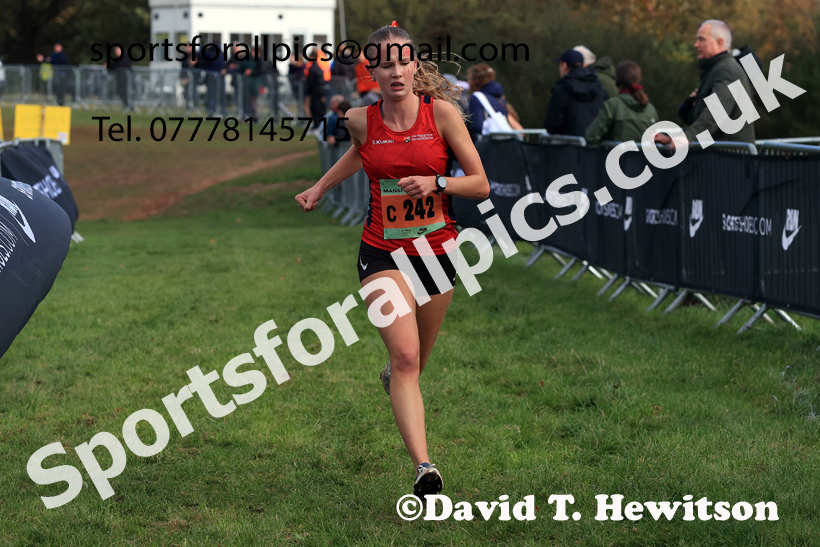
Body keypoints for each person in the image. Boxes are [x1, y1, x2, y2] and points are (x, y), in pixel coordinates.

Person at [295, 23, 489, 501]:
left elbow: (481, 183)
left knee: (417, 359)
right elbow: (360, 155)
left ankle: (397, 376)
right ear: (373, 71)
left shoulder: (441, 114)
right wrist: (321, 187)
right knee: (404, 358)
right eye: (385, 62)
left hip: (438, 252)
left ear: (416, 66)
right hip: (382, 249)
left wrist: (438, 184)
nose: (396, 70)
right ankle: (425, 468)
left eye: (404, 61)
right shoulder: (362, 118)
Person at [657, 19, 755, 147]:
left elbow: (716, 112)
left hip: (730, 160)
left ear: (719, 43)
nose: (696, 44)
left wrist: (687, 136)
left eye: (701, 39)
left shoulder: (726, 70)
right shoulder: (717, 69)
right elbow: (705, 118)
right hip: (723, 158)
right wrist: (674, 137)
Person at [585, 61, 659, 144]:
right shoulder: (650, 108)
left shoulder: (612, 105)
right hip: (642, 157)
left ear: (617, 80)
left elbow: (591, 137)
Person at [543, 49, 607, 136]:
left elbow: (552, 124)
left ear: (564, 65)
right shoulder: (598, 87)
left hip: (570, 147)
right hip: (596, 146)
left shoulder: (561, 90)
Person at [465, 63, 515, 138]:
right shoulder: (499, 97)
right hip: (504, 142)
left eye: (469, 79)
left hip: (488, 144)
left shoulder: (476, 97)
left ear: (476, 80)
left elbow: (477, 126)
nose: (468, 82)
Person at [303, 48, 328, 120]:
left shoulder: (314, 67)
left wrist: (309, 90)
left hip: (316, 90)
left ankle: (317, 123)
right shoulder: (315, 67)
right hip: (318, 90)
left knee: (316, 107)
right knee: (316, 106)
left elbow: (313, 80)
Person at [108, 45, 133, 112]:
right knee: (120, 92)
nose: (116, 53)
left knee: (126, 92)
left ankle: (129, 105)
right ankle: (127, 105)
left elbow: (120, 65)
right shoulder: (117, 59)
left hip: (125, 80)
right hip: (120, 80)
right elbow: (112, 66)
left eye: (117, 51)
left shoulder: (124, 58)